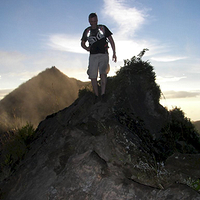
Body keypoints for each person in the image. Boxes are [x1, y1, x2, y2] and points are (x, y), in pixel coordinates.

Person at [81, 13, 117, 102]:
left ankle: (103, 94)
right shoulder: (87, 31)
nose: (93, 23)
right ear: (89, 21)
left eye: (95, 21)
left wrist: (114, 53)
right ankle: (97, 96)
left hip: (103, 54)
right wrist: (86, 48)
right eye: (92, 21)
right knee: (93, 76)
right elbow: (82, 43)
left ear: (97, 20)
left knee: (103, 74)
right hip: (93, 55)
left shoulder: (103, 28)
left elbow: (111, 40)